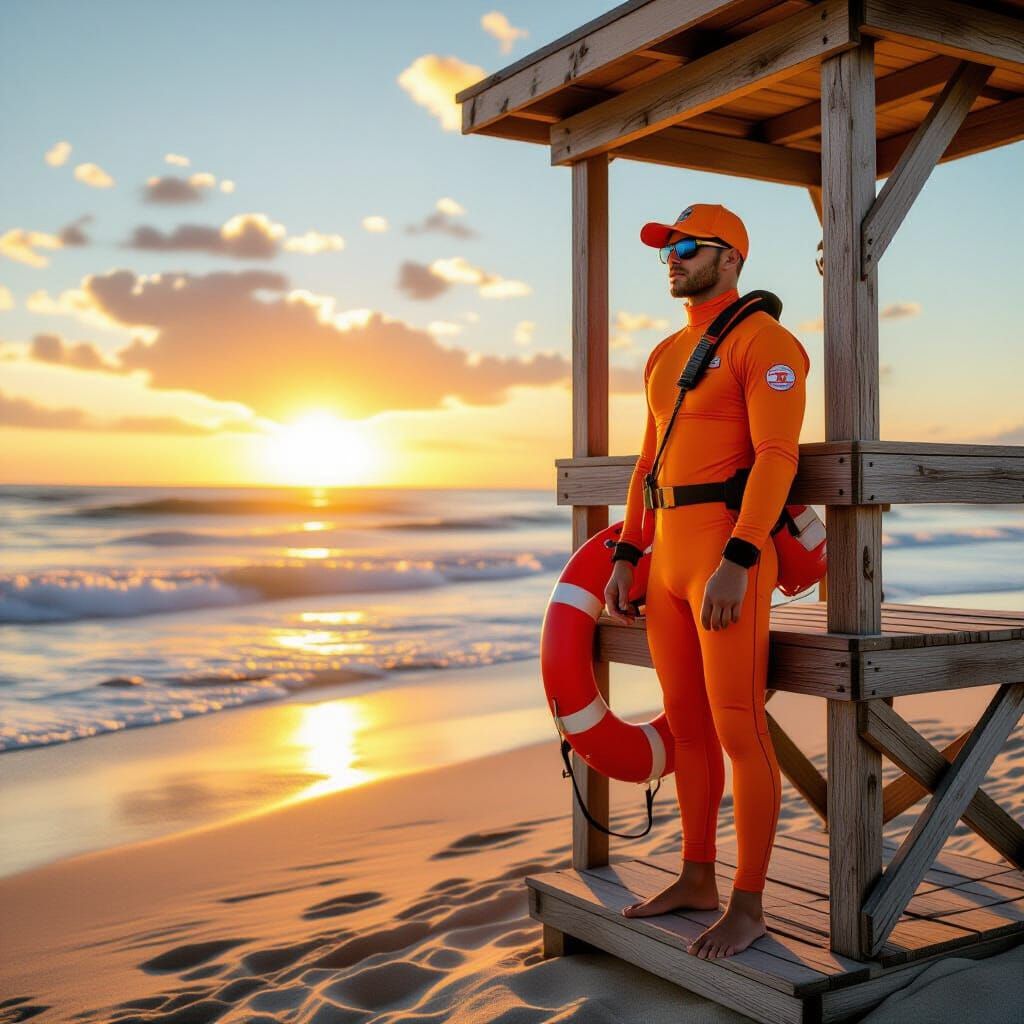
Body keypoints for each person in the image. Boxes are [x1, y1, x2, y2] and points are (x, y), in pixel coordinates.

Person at [603, 203, 809, 960]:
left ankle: (749, 903)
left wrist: (743, 557)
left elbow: (778, 457)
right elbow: (646, 462)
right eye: (666, 247)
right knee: (686, 727)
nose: (672, 257)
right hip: (667, 565)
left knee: (738, 729)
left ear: (733, 257)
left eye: (687, 247)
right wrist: (629, 553)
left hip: (728, 560)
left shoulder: (768, 342)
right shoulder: (665, 352)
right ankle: (697, 877)